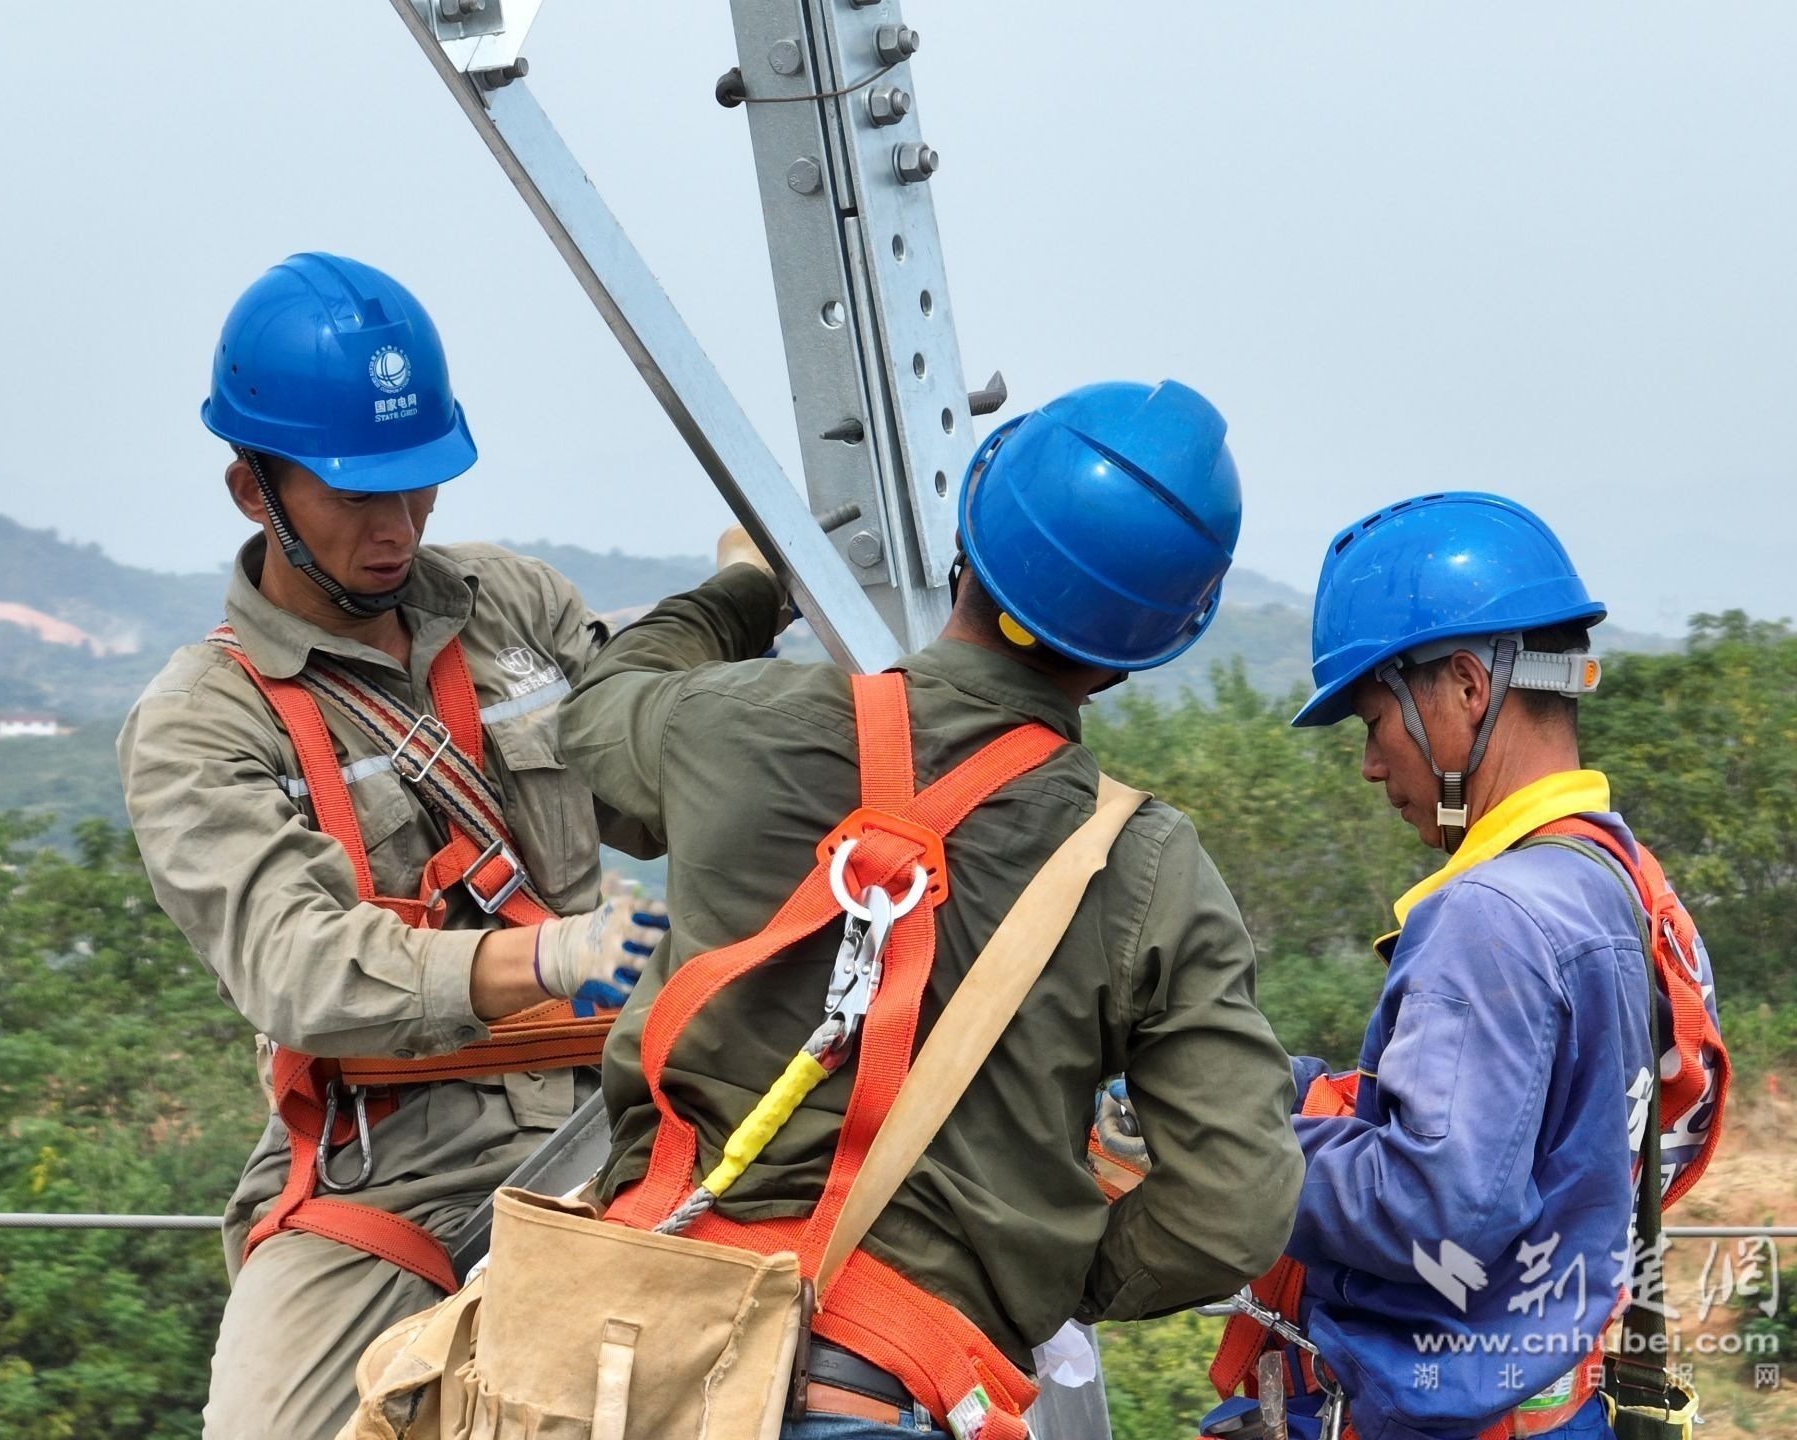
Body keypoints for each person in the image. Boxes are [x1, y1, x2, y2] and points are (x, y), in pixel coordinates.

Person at [558, 380, 1304, 1439]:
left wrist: (751, 585)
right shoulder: (1145, 868)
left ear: (972, 539)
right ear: (1142, 649)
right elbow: (1233, 1202)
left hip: (631, 1364)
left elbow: (595, 722)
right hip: (892, 1384)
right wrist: (1033, 1265)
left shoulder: (730, 727)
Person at [117, 252, 665, 1440]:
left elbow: (650, 747)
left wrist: (730, 634)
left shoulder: (510, 607)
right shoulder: (206, 720)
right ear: (252, 490)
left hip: (631, 1108)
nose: (399, 525)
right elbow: (298, 967)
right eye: (357, 493)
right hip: (395, 1162)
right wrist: (549, 959)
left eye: (418, 486)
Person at [1248, 492, 1726, 1440]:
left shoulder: (1490, 918)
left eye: (1373, 721)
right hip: (1556, 1400)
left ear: (1467, 687)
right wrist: (1269, 1090)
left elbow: (1433, 1207)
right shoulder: (1617, 880)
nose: (1371, 766)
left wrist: (1218, 1147)